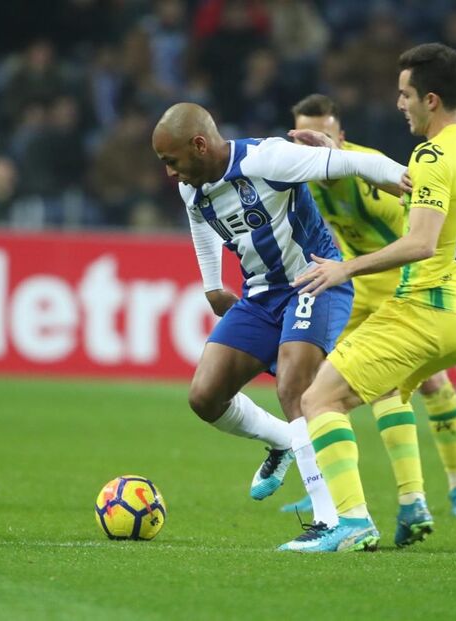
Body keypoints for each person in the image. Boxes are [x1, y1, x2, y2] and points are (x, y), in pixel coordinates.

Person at [151, 102, 409, 547]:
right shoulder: (192, 188)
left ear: (199, 145)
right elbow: (199, 225)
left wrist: (413, 180)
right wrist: (213, 283)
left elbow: (350, 161)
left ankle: (335, 522)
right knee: (205, 396)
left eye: (171, 161)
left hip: (314, 280)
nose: (170, 173)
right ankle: (285, 442)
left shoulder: (266, 159)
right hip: (260, 295)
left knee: (296, 388)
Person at [284, 43, 456, 552]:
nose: (398, 104)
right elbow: (418, 187)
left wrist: (346, 268)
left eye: (404, 95)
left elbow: (421, 241)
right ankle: (411, 502)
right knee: (387, 393)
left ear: (430, 98)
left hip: (424, 307)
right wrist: (336, 156)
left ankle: (352, 524)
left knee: (318, 398)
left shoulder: (432, 154)